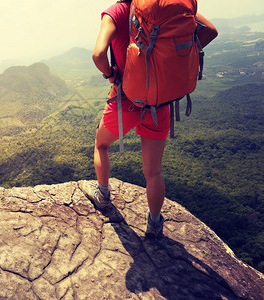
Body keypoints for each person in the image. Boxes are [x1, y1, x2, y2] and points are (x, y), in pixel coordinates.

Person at [82, 0, 218, 237]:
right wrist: (172, 63)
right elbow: (211, 31)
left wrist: (111, 75)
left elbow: (98, 54)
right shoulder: (163, 7)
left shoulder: (116, 12)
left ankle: (103, 195)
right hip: (158, 101)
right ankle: (155, 223)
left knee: (101, 144)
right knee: (153, 171)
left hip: (125, 100)